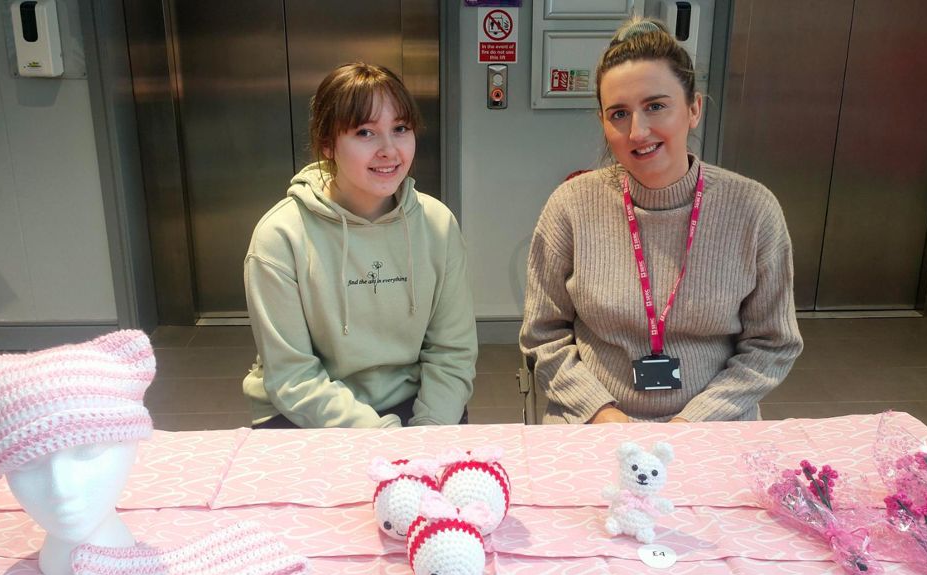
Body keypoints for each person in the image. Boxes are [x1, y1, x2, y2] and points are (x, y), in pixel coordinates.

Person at [520, 19, 802, 424]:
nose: (638, 131)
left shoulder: (753, 209)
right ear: (603, 122)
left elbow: (773, 344)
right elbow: (542, 336)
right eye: (619, 113)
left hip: (714, 428)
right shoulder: (571, 206)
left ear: (694, 109)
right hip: (592, 425)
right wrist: (603, 415)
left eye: (656, 106)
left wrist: (694, 422)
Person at [244, 63, 477, 429]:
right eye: (365, 132)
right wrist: (381, 440)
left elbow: (452, 352)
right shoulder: (280, 236)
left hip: (413, 405)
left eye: (400, 129)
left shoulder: (437, 224)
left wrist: (428, 431)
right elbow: (293, 376)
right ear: (327, 145)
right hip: (304, 412)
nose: (389, 150)